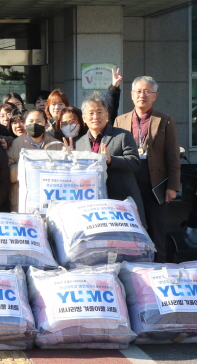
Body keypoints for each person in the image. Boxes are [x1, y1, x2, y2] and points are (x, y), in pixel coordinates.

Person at [114, 76, 180, 261]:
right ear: (132, 95)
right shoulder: (120, 120)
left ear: (154, 95)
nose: (142, 95)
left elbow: (173, 155)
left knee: (156, 230)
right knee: (130, 230)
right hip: (128, 182)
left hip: (155, 184)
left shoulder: (165, 120)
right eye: (138, 91)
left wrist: (173, 186)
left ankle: (159, 270)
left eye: (146, 91)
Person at [74, 92, 146, 227]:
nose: (95, 117)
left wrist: (111, 160)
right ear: (84, 118)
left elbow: (135, 162)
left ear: (107, 115)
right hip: (93, 208)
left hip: (121, 203)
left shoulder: (122, 135)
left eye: (99, 112)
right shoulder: (79, 143)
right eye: (91, 113)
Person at [7, 109, 61, 212]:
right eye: (31, 121)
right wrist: (28, 168)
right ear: (24, 124)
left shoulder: (56, 145)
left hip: (50, 204)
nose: (34, 124)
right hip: (23, 203)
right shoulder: (16, 144)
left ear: (45, 124)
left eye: (38, 121)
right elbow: (6, 172)